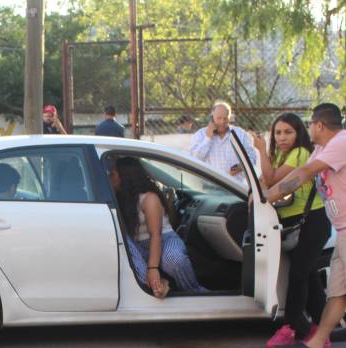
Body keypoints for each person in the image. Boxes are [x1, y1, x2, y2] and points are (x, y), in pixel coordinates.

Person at [267, 104, 346, 348]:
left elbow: (303, 174)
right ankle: (315, 344)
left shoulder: (343, 144)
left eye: (310, 124)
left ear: (319, 125)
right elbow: (302, 176)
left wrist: (266, 197)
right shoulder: (323, 149)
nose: (308, 128)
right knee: (337, 293)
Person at [252, 113, 331, 348]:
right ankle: (319, 330)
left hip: (311, 222)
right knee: (308, 276)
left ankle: (291, 328)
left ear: (298, 134)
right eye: (278, 133)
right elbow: (264, 182)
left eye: (288, 132)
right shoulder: (282, 156)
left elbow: (271, 178)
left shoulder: (299, 154)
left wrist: (261, 151)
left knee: (298, 275)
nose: (282, 137)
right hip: (293, 222)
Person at [110, 156, 207, 297]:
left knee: (173, 260)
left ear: (125, 176)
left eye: (113, 173)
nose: (109, 176)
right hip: (138, 246)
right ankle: (161, 283)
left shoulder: (149, 198)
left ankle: (195, 291)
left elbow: (156, 235)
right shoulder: (119, 197)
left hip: (163, 239)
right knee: (125, 247)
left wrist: (153, 267)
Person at [189, 101, 257, 185]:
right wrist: (208, 138)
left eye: (225, 118)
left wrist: (241, 166)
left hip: (235, 187)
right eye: (219, 118)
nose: (222, 122)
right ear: (212, 117)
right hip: (210, 187)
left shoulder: (240, 133)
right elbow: (195, 158)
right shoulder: (201, 134)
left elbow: (253, 157)